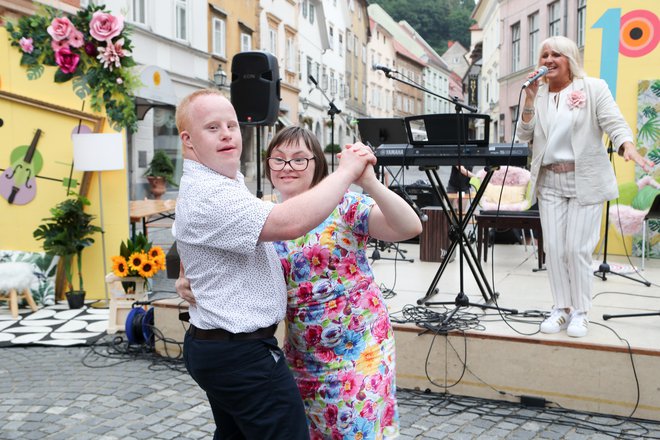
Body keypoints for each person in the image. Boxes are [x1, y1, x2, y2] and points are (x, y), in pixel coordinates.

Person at [178, 125, 422, 439]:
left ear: (317, 163)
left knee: (354, 430)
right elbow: (204, 249)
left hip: (359, 349)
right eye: (278, 159)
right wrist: (185, 280)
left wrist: (371, 184)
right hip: (302, 353)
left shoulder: (344, 207)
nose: (287, 168)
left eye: (299, 159)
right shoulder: (264, 214)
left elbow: (409, 226)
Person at [517, 36, 654, 338]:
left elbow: (615, 123)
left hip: (585, 179)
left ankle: (580, 311)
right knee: (553, 249)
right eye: (544, 55)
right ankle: (561, 308)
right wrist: (527, 100)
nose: (549, 60)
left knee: (576, 249)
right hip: (549, 180)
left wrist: (627, 146)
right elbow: (524, 135)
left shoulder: (592, 88)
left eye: (556, 54)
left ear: (570, 59)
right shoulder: (536, 93)